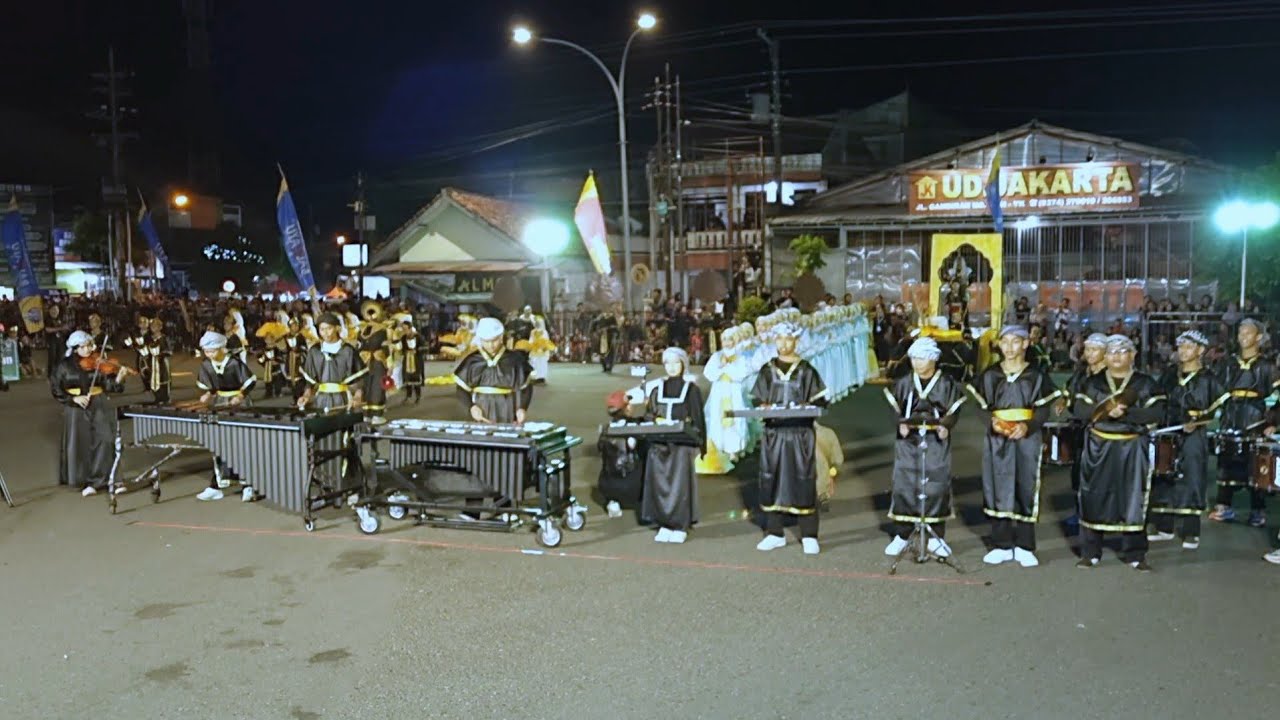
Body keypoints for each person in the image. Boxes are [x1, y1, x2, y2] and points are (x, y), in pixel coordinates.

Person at [1072, 335, 1165, 570]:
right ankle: (1090, 552)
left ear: (1133, 355)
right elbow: (1080, 409)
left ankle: (1135, 554)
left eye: (1122, 351)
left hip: (1132, 447)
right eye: (1111, 351)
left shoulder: (1145, 383)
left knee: (1133, 497)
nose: (1116, 356)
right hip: (1098, 446)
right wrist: (1103, 412)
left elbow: (1156, 413)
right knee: (1093, 495)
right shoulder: (1093, 383)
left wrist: (1126, 414)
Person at [967, 326, 1056, 567]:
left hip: (1027, 436)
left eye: (1015, 342)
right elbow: (980, 406)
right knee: (996, 484)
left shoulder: (1036, 376)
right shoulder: (990, 374)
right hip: (997, 437)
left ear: (1025, 344)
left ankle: (1025, 545)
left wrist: (1030, 425)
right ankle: (1001, 543)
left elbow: (1044, 408)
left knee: (1026, 484)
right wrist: (991, 422)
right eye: (1004, 342)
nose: (1008, 347)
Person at [882, 337, 965, 557]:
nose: (918, 363)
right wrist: (900, 424)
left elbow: (953, 411)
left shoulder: (946, 383)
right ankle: (902, 534)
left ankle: (937, 536)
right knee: (905, 483)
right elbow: (894, 409)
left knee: (936, 484)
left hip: (936, 441)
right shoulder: (904, 382)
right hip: (908, 442)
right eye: (915, 358)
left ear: (934, 359)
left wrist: (947, 425)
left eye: (923, 357)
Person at [751, 322, 829, 555]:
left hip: (800, 435)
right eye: (779, 339)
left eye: (788, 339)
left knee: (803, 480)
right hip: (774, 435)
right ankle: (775, 533)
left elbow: (821, 400)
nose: (783, 344)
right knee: (771, 480)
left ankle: (809, 534)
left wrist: (809, 406)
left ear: (796, 341)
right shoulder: (767, 369)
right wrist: (762, 406)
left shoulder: (806, 370)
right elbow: (756, 399)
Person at [1150, 330, 1225, 550]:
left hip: (1193, 435)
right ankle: (1165, 526)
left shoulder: (1209, 378)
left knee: (1192, 476)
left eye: (1189, 347)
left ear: (1200, 351)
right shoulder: (1170, 374)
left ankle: (1191, 531)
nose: (1183, 351)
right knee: (1164, 475)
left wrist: (1198, 421)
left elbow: (1217, 408)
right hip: (1169, 430)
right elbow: (1160, 400)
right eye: (1181, 347)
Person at [1209, 318, 1276, 527]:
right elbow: (1217, 391)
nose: (1243, 337)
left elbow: (1276, 397)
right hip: (1232, 415)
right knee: (1227, 459)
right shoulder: (1228, 363)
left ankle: (1258, 510)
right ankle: (1224, 505)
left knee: (1256, 463)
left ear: (1258, 337)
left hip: (1256, 417)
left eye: (1248, 333)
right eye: (1240, 333)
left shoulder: (1267, 366)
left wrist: (1272, 421)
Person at [50, 330, 132, 496]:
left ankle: (111, 478)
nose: (88, 350)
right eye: (83, 346)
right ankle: (88, 482)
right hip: (75, 407)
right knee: (81, 444)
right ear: (74, 348)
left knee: (105, 439)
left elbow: (110, 386)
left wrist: (119, 378)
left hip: (99, 402)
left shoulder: (97, 362)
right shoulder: (63, 366)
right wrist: (73, 399)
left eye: (89, 345)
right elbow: (56, 389)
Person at [641, 347, 705, 543]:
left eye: (676, 363)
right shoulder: (656, 389)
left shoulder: (691, 390)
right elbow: (649, 415)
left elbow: (698, 419)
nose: (671, 367)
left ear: (683, 365)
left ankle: (680, 524)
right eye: (667, 363)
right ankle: (663, 522)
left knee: (680, 487)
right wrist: (654, 422)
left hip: (680, 446)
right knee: (659, 484)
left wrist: (700, 443)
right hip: (659, 445)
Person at [194, 331, 257, 502]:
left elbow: (250, 382)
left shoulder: (235, 363)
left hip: (239, 405)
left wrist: (241, 396)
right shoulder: (206, 365)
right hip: (220, 404)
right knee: (220, 444)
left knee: (242, 445)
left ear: (222, 348)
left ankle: (248, 485)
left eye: (213, 351)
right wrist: (207, 394)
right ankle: (217, 485)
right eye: (207, 352)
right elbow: (210, 387)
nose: (210, 355)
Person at [1061, 332, 1109, 528]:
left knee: (1099, 473)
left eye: (1094, 349)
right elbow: (1068, 390)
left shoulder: (1109, 377)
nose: (1089, 353)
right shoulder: (1081, 373)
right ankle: (1079, 511)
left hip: (1101, 432)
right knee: (1079, 471)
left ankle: (1099, 513)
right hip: (1081, 429)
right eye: (1087, 349)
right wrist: (1064, 400)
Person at [452, 317, 533, 424]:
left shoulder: (515, 360)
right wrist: (471, 407)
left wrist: (522, 408)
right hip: (481, 408)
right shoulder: (472, 361)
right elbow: (461, 389)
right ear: (480, 339)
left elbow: (526, 388)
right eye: (486, 341)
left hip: (508, 408)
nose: (491, 345)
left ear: (501, 337)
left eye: (494, 340)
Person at [297, 313, 366, 412]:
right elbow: (309, 382)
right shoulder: (315, 351)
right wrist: (306, 396)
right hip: (320, 399)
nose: (326, 333)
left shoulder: (348, 350)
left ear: (337, 328)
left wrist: (358, 397)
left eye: (329, 328)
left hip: (343, 399)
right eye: (322, 329)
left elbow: (360, 380)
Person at [597, 388, 647, 519]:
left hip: (607, 484)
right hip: (632, 485)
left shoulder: (605, 428)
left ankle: (613, 502)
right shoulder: (635, 426)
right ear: (626, 408)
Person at [144, 317, 172, 403]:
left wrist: (161, 354)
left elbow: (169, 350)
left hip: (162, 362)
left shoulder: (164, 338)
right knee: (153, 378)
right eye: (152, 327)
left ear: (160, 327)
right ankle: (157, 396)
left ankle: (165, 397)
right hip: (152, 361)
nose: (153, 328)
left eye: (156, 326)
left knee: (164, 378)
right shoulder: (149, 338)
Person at [399, 319, 424, 405]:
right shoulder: (403, 338)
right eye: (403, 329)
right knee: (407, 378)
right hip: (407, 360)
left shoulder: (418, 337)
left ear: (410, 328)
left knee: (416, 378)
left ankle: (418, 396)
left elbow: (424, 347)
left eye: (406, 329)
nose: (404, 331)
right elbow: (403, 349)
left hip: (416, 360)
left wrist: (417, 351)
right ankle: (408, 396)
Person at [590, 305, 621, 373]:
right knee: (602, 352)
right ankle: (604, 366)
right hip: (602, 337)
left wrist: (609, 329)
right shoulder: (601, 317)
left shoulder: (612, 317)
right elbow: (594, 324)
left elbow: (616, 328)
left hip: (610, 336)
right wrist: (595, 332)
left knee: (611, 352)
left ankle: (610, 366)